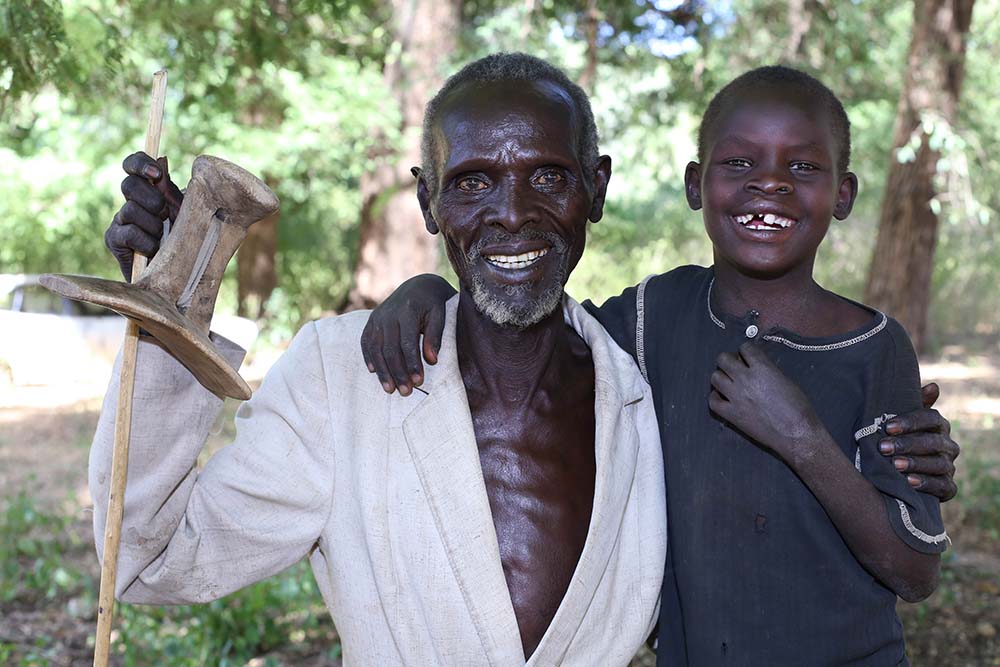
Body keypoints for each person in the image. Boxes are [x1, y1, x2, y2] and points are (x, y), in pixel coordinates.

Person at [360, 65, 962, 665]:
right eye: (739, 163)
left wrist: (802, 439)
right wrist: (428, 290)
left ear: (845, 194)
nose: (770, 184)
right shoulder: (653, 317)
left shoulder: (874, 345)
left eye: (802, 167)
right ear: (696, 185)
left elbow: (914, 570)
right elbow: (526, 320)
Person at [97, 53, 667, 665]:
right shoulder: (342, 380)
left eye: (549, 177)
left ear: (596, 188)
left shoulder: (646, 390)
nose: (511, 213)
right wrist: (168, 306)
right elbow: (153, 559)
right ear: (428, 202)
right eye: (473, 183)